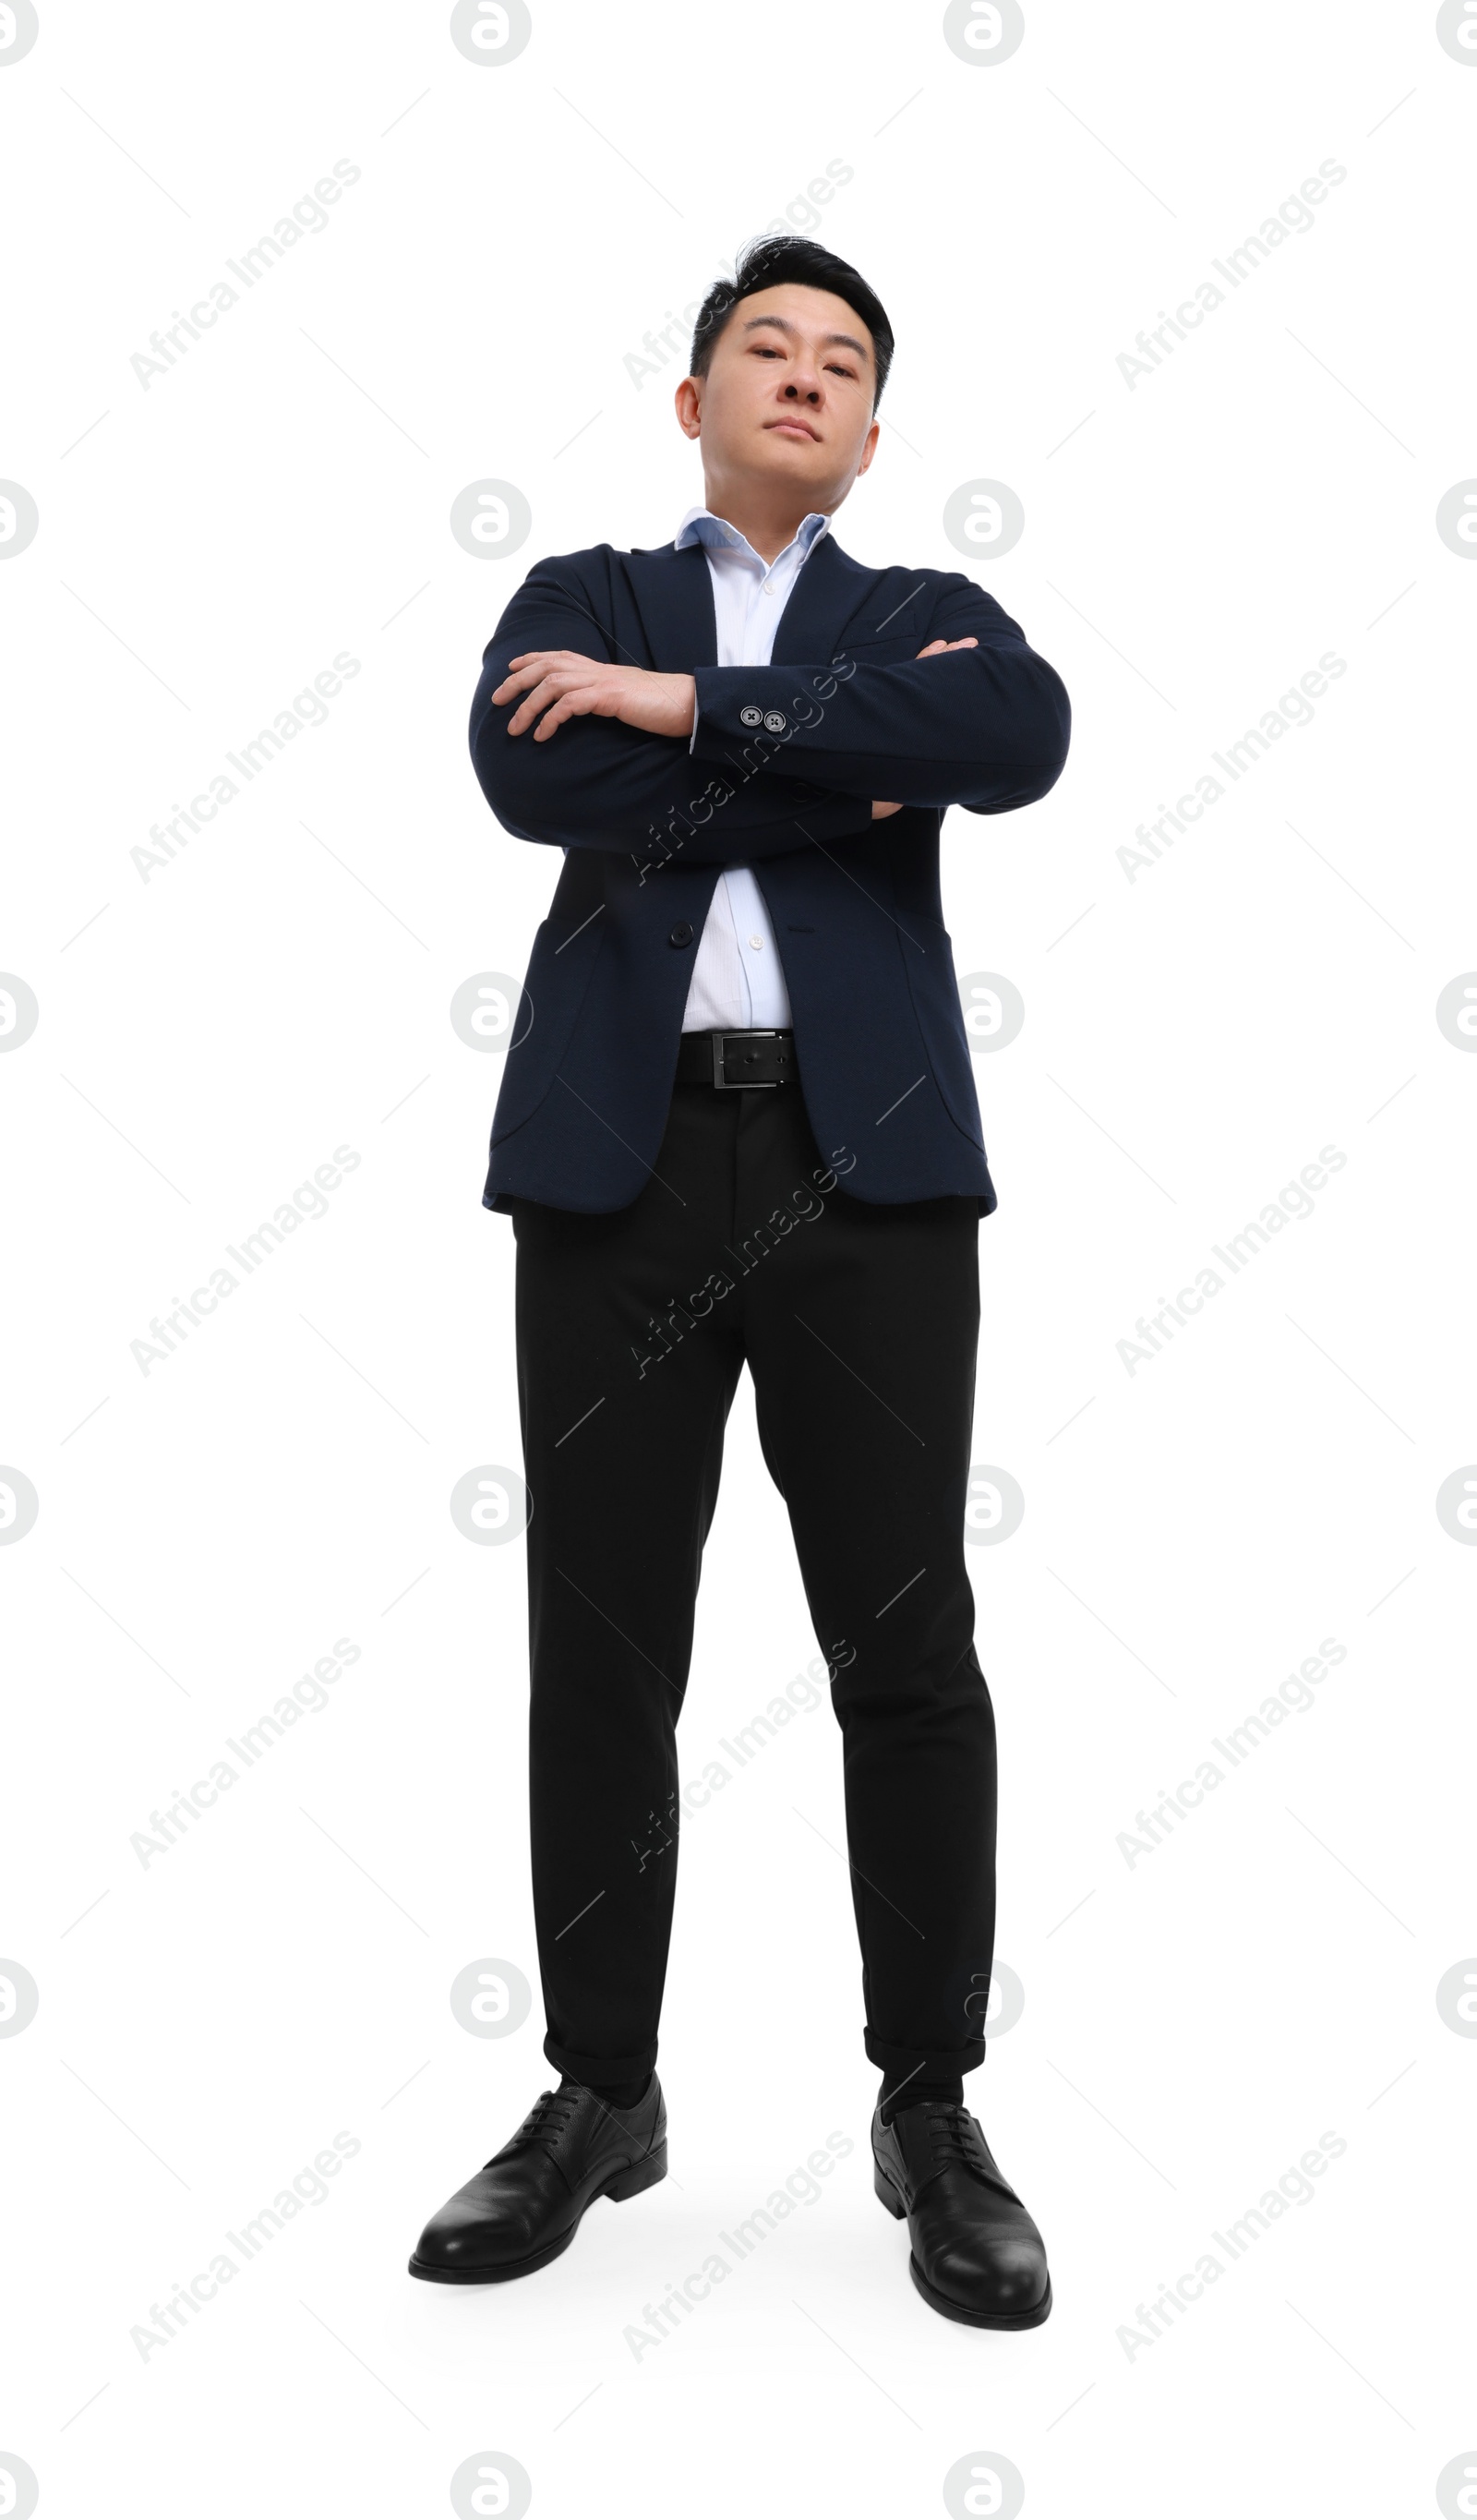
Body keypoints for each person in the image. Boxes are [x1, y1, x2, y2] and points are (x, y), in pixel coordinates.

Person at [409, 235, 1071, 2327]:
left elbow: (1020, 733)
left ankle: (929, 2103)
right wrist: (846, 766)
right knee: (599, 1646)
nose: (801, 376)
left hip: (861, 1169)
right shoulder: (581, 596)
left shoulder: (922, 614)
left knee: (906, 1640)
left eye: (840, 363)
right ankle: (600, 2092)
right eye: (761, 350)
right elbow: (532, 771)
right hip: (617, 1169)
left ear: (872, 437)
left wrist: (686, 717)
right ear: (689, 400)